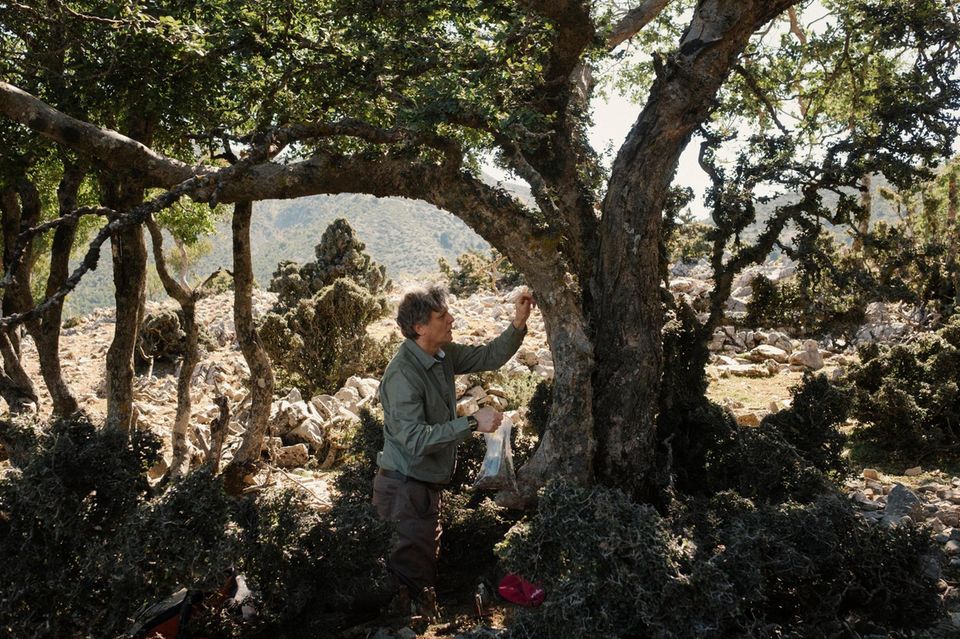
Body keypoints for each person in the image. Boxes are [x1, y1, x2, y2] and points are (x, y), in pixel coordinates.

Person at [373, 284, 535, 618]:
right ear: (420, 327)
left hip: (421, 486)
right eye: (442, 315)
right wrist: (472, 422)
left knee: (419, 576)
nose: (452, 319)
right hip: (405, 487)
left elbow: (489, 355)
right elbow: (414, 439)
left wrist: (518, 322)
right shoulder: (403, 374)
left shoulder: (442, 355)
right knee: (409, 586)